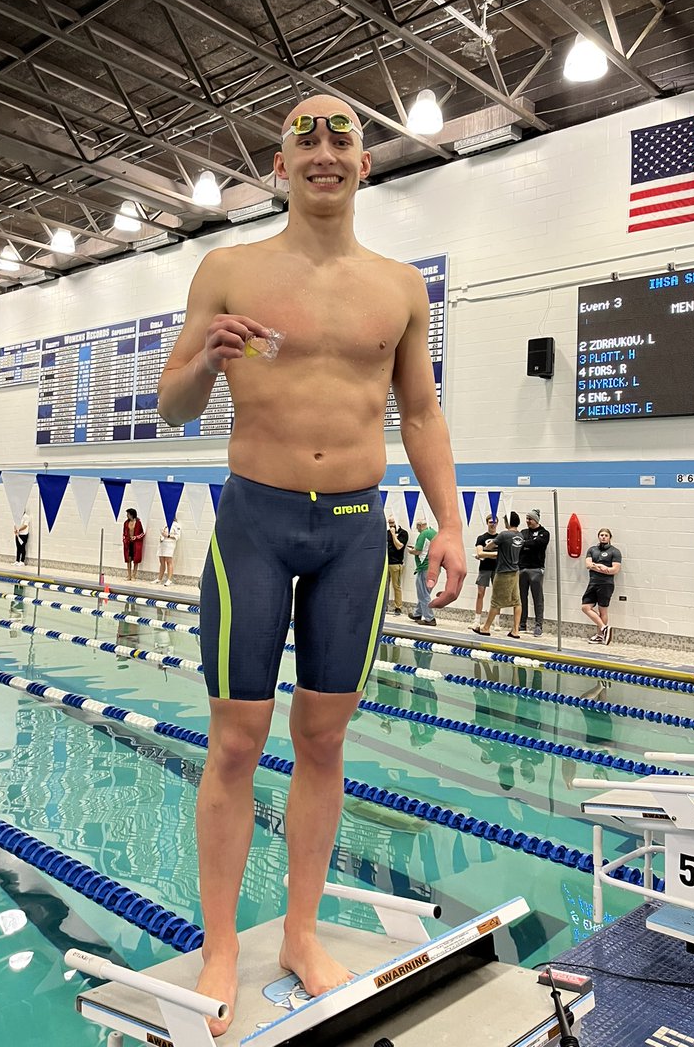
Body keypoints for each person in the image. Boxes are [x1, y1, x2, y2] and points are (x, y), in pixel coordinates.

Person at [157, 94, 466, 1036]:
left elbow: (419, 412)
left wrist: (450, 523)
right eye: (305, 136)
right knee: (237, 741)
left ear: (366, 164)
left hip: (355, 531)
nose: (324, 149)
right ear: (278, 168)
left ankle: (298, 933)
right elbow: (173, 408)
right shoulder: (227, 268)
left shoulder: (400, 287)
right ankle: (220, 947)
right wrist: (206, 356)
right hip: (254, 520)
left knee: (325, 741)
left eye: (342, 136)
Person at [474, 511, 524, 638]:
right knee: (517, 602)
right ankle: (515, 630)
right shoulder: (521, 536)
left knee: (496, 601)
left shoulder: (504, 535)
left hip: (503, 572)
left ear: (507, 522)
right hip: (515, 571)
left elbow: (488, 547)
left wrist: (491, 550)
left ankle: (485, 628)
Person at [581, 528, 622, 645]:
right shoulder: (592, 550)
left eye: (606, 535)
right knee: (585, 607)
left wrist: (603, 569)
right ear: (598, 536)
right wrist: (600, 566)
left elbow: (614, 570)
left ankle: (600, 635)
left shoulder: (615, 552)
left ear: (610, 537)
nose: (603, 537)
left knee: (602, 610)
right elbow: (588, 564)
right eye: (601, 535)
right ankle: (604, 628)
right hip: (593, 582)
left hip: (606, 584)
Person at [518, 509, 550, 637]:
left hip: (536, 569)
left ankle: (538, 625)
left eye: (529, 519)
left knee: (537, 598)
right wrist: (528, 545)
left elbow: (539, 544)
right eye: (526, 519)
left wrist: (526, 544)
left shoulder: (544, 533)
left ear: (536, 520)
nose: (527, 521)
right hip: (522, 568)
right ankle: (522, 623)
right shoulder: (523, 532)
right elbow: (519, 546)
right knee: (522, 598)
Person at [407, 515, 438, 626]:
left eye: (417, 527)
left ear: (420, 526)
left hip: (424, 568)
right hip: (435, 568)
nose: (417, 529)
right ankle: (417, 613)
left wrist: (411, 550)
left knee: (423, 594)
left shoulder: (423, 534)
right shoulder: (434, 533)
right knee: (425, 592)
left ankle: (430, 618)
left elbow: (418, 551)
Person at [471, 514, 499, 629]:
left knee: (497, 595)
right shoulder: (481, 538)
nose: (492, 524)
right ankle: (477, 619)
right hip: (484, 568)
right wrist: (495, 554)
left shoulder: (500, 537)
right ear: (487, 523)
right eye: (490, 522)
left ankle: (496, 622)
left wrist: (485, 554)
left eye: (494, 522)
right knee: (480, 593)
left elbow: (483, 554)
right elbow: (479, 553)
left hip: (497, 569)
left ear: (497, 523)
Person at [385, 514, 409, 614]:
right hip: (386, 562)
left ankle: (398, 607)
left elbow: (399, 546)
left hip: (396, 563)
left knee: (396, 586)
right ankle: (384, 606)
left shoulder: (403, 533)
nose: (391, 525)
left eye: (393, 523)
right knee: (385, 586)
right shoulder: (386, 533)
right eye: (389, 523)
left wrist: (394, 535)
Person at [122, 507, 145, 581]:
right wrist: (125, 540)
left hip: (136, 543)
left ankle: (134, 575)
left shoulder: (139, 523)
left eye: (128, 514)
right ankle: (129, 575)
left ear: (132, 515)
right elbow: (124, 533)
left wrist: (136, 537)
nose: (127, 515)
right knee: (128, 559)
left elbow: (143, 533)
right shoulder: (126, 523)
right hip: (128, 543)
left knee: (136, 559)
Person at [157, 519, 182, 586]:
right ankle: (159, 579)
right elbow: (162, 533)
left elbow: (178, 536)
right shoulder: (165, 523)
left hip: (170, 544)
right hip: (162, 544)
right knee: (161, 561)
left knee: (169, 561)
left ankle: (169, 579)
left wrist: (168, 536)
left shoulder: (176, 525)